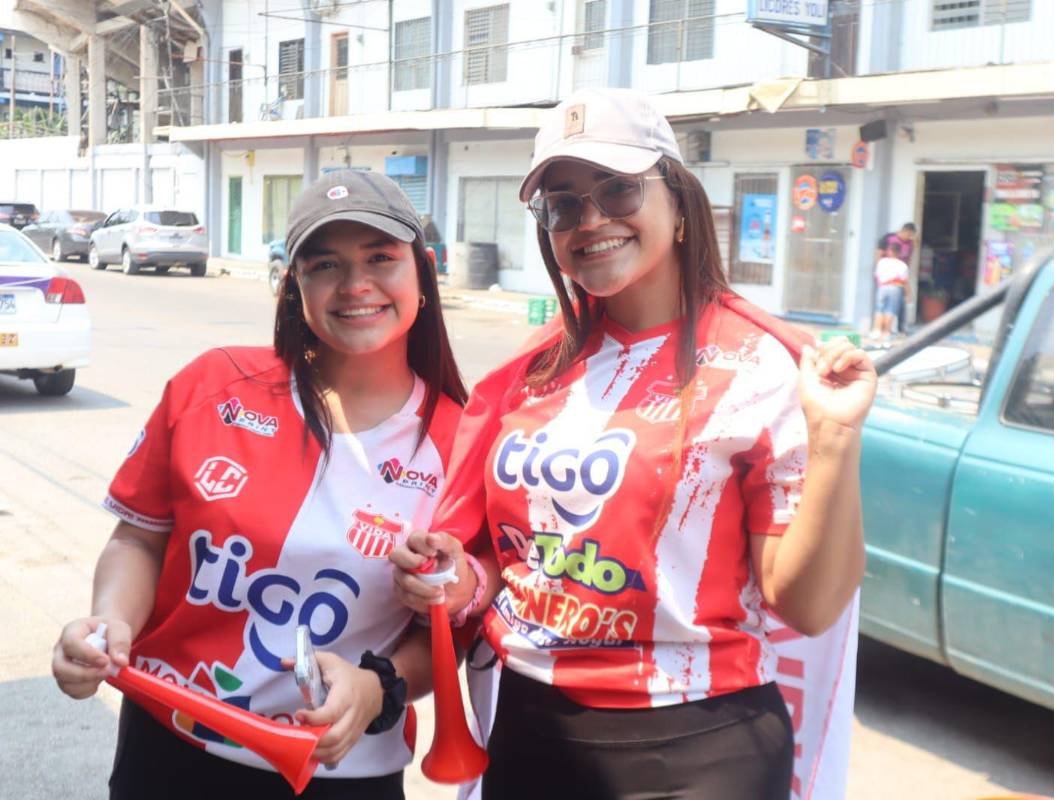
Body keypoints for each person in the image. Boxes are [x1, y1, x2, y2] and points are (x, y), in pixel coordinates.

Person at [390, 89, 875, 799]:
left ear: (679, 205)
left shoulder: (764, 368)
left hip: (700, 744)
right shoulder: (527, 374)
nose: (590, 221)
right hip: (531, 728)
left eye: (617, 190)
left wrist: (834, 441)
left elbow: (807, 605)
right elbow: (506, 559)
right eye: (563, 205)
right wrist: (457, 579)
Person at [50, 170, 468, 800]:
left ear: (422, 273)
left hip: (341, 771)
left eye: (380, 258)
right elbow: (138, 539)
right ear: (292, 284)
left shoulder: (466, 441)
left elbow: (449, 630)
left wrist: (376, 687)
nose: (355, 286)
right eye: (324, 264)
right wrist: (107, 626)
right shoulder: (210, 385)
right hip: (169, 745)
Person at [874, 222, 916, 332]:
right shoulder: (889, 238)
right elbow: (879, 253)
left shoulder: (910, 244)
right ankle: (884, 331)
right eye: (909, 234)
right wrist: (881, 272)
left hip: (897, 280)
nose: (909, 237)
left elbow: (909, 258)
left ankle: (899, 329)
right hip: (888, 280)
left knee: (897, 306)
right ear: (905, 230)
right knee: (888, 309)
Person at [871, 240, 910, 340]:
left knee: (879, 309)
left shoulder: (882, 262)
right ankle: (886, 333)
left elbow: (877, 276)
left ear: (889, 251)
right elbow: (904, 281)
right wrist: (908, 294)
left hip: (882, 287)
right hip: (895, 287)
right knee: (890, 310)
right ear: (899, 252)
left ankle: (876, 331)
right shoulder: (902, 265)